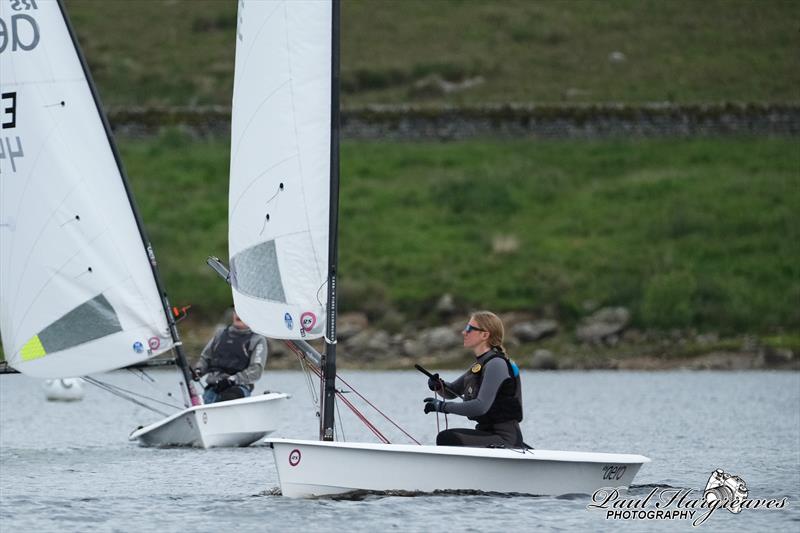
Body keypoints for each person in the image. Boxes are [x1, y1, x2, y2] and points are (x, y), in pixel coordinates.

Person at [423, 310, 525, 448]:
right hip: (487, 434)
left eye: (469, 329)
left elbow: (480, 407)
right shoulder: (481, 365)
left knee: (447, 438)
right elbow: (452, 391)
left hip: (505, 438)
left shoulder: (496, 364)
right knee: (447, 437)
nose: (464, 332)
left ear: (484, 334)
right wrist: (439, 386)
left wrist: (442, 406)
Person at [193, 310, 267, 404]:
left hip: (239, 388)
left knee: (230, 396)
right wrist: (198, 371)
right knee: (201, 400)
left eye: (242, 311)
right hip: (214, 388)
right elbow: (205, 358)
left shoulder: (257, 339)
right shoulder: (220, 334)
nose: (238, 314)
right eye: (236, 311)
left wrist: (232, 380)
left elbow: (256, 370)